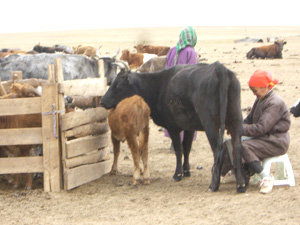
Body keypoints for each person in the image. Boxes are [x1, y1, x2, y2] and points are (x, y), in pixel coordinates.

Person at [221, 70, 290, 194]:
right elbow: (248, 120)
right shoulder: (260, 100)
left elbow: (261, 128)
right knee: (229, 143)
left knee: (242, 145)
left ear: (265, 87)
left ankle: (266, 177)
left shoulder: (275, 103)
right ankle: (236, 171)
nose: (254, 94)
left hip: (276, 141)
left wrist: (237, 129)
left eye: (255, 90)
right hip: (264, 138)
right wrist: (234, 125)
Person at [164, 26, 199, 149]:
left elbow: (166, 69)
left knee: (173, 114)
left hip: (170, 87)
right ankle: (183, 143)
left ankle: (174, 142)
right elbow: (193, 72)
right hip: (185, 90)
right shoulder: (191, 52)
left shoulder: (172, 51)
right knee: (187, 115)